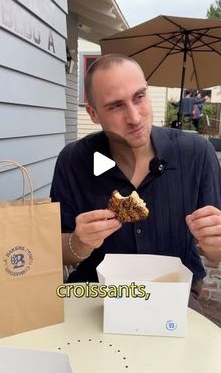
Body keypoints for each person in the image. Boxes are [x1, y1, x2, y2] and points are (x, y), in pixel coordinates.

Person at [50, 54, 221, 311]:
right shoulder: (74, 160)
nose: (134, 118)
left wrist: (216, 245)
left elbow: (215, 254)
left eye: (139, 97)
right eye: (116, 106)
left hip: (174, 295)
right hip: (95, 296)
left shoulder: (196, 154)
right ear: (93, 113)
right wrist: (80, 241)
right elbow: (59, 251)